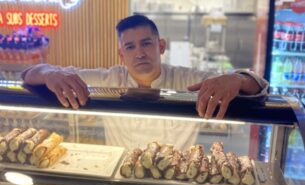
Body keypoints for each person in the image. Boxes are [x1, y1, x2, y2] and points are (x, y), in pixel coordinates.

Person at [22, 15, 268, 150]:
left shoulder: (187, 79)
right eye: (130, 46)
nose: (139, 53)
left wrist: (236, 79)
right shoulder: (109, 79)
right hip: (122, 174)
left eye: (146, 43)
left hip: (175, 175)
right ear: (121, 54)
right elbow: (30, 72)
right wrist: (49, 74)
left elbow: (260, 86)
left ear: (161, 46)